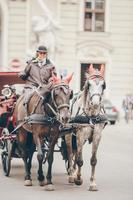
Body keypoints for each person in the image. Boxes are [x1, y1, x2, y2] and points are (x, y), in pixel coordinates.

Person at [19, 45, 56, 112]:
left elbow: (54, 77)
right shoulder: (31, 63)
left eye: (44, 53)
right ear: (37, 53)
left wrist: (51, 80)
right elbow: (25, 73)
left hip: (45, 87)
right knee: (26, 98)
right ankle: (25, 113)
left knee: (54, 98)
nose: (42, 54)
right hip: (31, 86)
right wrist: (22, 74)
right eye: (40, 53)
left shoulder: (51, 66)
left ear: (46, 54)